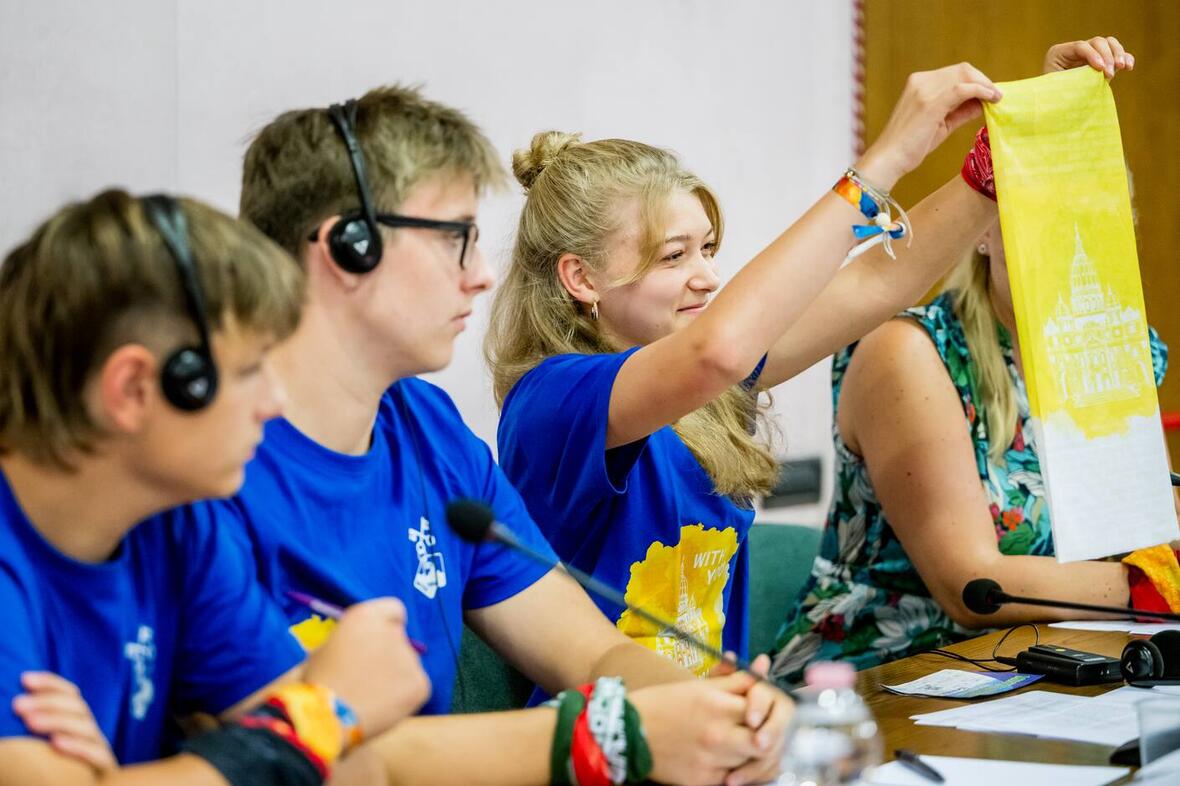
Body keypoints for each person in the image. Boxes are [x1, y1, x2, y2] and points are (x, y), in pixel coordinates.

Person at [485, 38, 1130, 679]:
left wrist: (1027, 129)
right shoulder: (553, 399)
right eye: (672, 256)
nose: (707, 277)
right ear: (581, 279)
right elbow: (719, 352)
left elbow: (876, 285)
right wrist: (883, 163)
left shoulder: (705, 392)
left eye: (708, 249)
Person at [223, 86, 791, 786]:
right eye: (453, 239)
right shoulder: (209, 464)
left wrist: (720, 707)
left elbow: (594, 656)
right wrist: (612, 738)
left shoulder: (431, 433)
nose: (482, 274)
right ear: (348, 246)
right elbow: (304, 761)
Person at [0, 189, 429, 784]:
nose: (275, 403)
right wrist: (318, 716)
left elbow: (356, 772)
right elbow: (322, 734)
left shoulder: (178, 525)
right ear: (133, 389)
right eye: (252, 370)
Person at [769, 202, 1178, 680]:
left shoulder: (1111, 352)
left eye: (1098, 222)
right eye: (1046, 217)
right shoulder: (912, 350)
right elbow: (972, 586)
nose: (1074, 245)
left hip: (1060, 657)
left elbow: (1158, 528)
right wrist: (1153, 586)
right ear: (984, 229)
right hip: (886, 676)